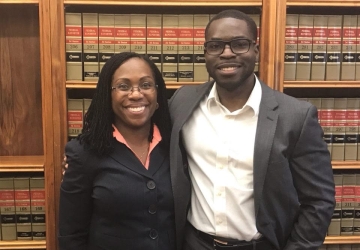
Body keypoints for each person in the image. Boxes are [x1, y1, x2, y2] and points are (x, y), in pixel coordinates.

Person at [168, 9, 335, 250]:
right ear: (205, 53)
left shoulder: (295, 116)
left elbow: (319, 201)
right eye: (215, 46)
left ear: (255, 50)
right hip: (194, 243)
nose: (227, 53)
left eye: (239, 44)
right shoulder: (182, 102)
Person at [58, 52, 175, 250]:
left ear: (158, 94)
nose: (136, 94)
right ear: (108, 94)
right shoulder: (84, 153)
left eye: (146, 85)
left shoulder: (174, 145)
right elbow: (71, 236)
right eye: (123, 86)